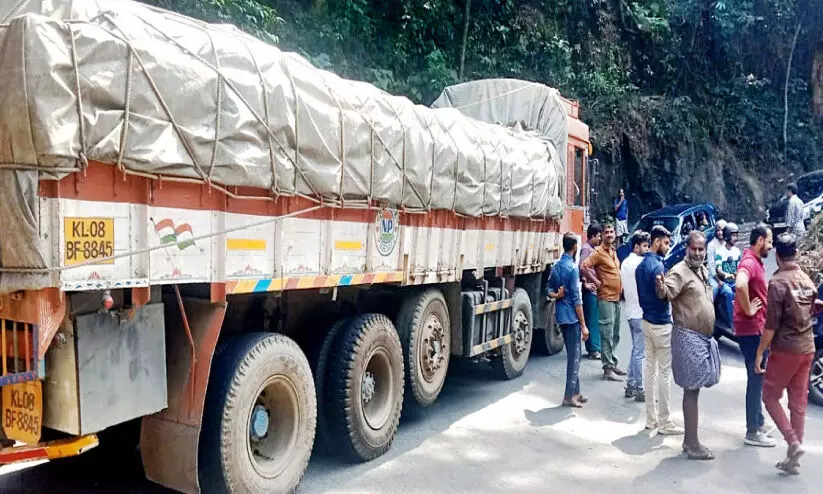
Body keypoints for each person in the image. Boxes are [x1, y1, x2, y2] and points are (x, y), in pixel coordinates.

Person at [755, 233, 818, 475]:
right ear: (797, 253)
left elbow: (771, 325)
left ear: (777, 256)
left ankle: (793, 442)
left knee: (770, 397)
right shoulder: (806, 279)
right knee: (798, 404)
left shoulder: (778, 282)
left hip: (786, 349)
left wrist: (760, 352)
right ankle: (793, 461)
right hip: (808, 348)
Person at [656, 231, 720, 460]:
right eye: (694, 249)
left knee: (694, 390)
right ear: (687, 248)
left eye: (702, 249)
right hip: (688, 338)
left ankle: (688, 441)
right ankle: (692, 444)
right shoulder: (680, 271)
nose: (698, 253)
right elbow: (666, 291)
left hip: (700, 339)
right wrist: (661, 287)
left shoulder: (701, 270)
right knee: (691, 391)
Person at [636, 225, 683, 435]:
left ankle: (650, 419)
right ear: (656, 242)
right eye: (666, 242)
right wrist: (663, 289)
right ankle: (665, 422)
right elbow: (662, 295)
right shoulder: (657, 267)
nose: (668, 246)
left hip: (646, 321)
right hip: (661, 323)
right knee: (664, 373)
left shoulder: (640, 266)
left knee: (649, 370)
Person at [734, 223, 775, 447]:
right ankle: (753, 430)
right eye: (769, 241)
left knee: (757, 375)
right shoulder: (750, 261)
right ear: (759, 240)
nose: (771, 246)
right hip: (751, 330)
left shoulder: (753, 259)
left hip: (754, 328)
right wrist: (749, 308)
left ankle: (758, 420)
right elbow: (740, 283)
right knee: (756, 376)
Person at [547, 233, 591, 408]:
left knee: (574, 355)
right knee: (574, 357)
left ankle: (576, 392)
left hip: (561, 315)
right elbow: (577, 300)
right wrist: (583, 324)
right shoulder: (572, 269)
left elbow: (548, 289)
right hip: (572, 317)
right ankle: (568, 396)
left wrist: (556, 295)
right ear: (575, 248)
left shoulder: (557, 266)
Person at [581, 222, 625, 381]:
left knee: (615, 333)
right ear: (602, 235)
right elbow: (584, 266)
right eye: (606, 232)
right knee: (606, 333)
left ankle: (612, 363)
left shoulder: (613, 251)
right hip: (605, 297)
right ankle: (607, 369)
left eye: (612, 232)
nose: (610, 235)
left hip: (616, 299)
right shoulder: (598, 252)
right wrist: (596, 282)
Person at [620, 230, 650, 400]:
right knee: (640, 353)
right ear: (637, 246)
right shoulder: (641, 263)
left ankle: (630, 384)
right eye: (645, 245)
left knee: (635, 350)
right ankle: (639, 388)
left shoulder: (625, 263)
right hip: (641, 312)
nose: (647, 249)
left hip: (630, 311)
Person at [580, 223, 603, 360]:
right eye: (598, 236)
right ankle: (593, 349)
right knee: (592, 320)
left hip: (594, 289)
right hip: (590, 290)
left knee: (593, 318)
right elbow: (583, 268)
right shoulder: (586, 250)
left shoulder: (592, 249)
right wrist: (586, 283)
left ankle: (594, 348)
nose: (599, 239)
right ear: (593, 236)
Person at [715, 222, 741, 329]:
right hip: (724, 282)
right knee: (729, 294)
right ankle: (732, 323)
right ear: (727, 236)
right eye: (733, 235)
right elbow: (718, 269)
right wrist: (727, 275)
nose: (736, 238)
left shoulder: (737, 251)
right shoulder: (720, 252)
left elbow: (740, 267)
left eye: (736, 235)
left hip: (735, 281)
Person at [707, 219, 727, 300]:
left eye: (722, 230)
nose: (720, 232)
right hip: (713, 274)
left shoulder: (728, 242)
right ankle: (710, 309)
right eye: (718, 230)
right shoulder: (711, 245)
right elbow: (711, 266)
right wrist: (718, 280)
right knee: (715, 289)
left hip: (725, 272)